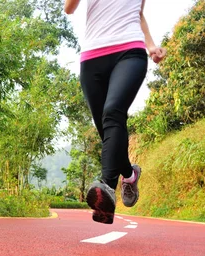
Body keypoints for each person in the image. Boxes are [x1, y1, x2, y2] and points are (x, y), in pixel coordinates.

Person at [64, 0, 167, 224]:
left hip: (130, 52)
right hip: (92, 57)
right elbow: (68, 8)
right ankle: (130, 175)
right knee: (106, 130)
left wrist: (150, 46)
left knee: (113, 113)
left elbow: (137, 13)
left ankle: (106, 190)